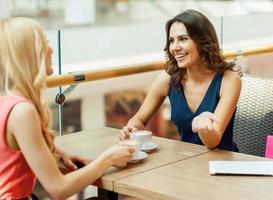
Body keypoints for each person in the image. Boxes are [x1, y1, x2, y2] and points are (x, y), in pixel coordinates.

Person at [0, 17, 134, 200]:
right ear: (30, 53)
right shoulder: (23, 112)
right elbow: (58, 189)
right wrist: (108, 158)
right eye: (45, 42)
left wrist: (55, 149)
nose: (51, 49)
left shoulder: (7, 102)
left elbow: (18, 144)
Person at [120, 9, 241, 151]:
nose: (174, 48)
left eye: (183, 39)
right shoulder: (167, 79)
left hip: (221, 165)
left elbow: (213, 142)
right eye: (172, 41)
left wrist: (203, 126)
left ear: (203, 41)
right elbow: (139, 119)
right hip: (185, 162)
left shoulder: (229, 80)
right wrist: (130, 130)